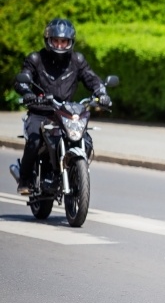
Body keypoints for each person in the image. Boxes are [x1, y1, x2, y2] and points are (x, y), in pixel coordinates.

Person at [13, 18, 111, 195]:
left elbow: (92, 79)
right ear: (48, 40)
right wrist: (27, 93)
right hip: (40, 112)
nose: (59, 45)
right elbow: (22, 79)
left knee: (85, 139)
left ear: (70, 42)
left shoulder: (77, 60)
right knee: (34, 141)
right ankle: (25, 179)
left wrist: (102, 93)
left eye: (63, 41)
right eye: (56, 40)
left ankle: (73, 172)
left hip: (65, 112)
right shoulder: (36, 59)